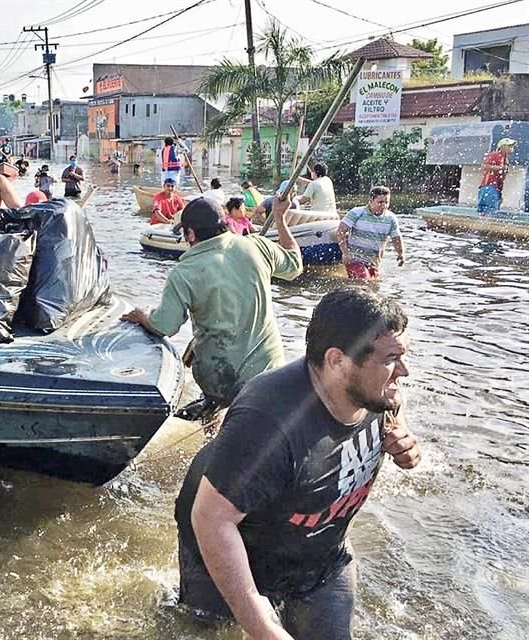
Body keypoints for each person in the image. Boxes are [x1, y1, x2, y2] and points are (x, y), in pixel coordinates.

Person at [175, 286, 422, 640]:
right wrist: (266, 631)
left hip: (321, 555)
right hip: (236, 543)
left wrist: (407, 447)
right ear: (337, 361)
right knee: (208, 631)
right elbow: (211, 520)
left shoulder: (379, 392)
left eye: (403, 356)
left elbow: (397, 418)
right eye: (390, 359)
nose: (405, 371)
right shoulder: (268, 422)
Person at [122, 196, 302, 411]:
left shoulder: (184, 272)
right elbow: (294, 264)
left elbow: (164, 326)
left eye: (184, 233)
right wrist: (280, 219)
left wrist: (142, 316)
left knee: (216, 422)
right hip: (269, 374)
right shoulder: (257, 246)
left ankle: (211, 421)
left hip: (220, 382)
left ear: (191, 234)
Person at [338, 186, 405, 280]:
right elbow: (341, 231)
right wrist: (345, 253)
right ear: (371, 200)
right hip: (355, 259)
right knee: (363, 281)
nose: (384, 205)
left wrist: (400, 254)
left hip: (374, 262)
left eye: (386, 202)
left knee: (373, 285)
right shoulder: (357, 213)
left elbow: (396, 238)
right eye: (380, 202)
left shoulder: (391, 218)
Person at [477, 138, 517, 213]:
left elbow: (502, 176)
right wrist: (501, 168)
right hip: (489, 186)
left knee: (492, 210)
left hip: (496, 188)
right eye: (510, 146)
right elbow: (485, 166)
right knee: (489, 211)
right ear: (503, 147)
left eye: (512, 146)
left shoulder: (505, 159)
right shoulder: (495, 155)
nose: (512, 148)